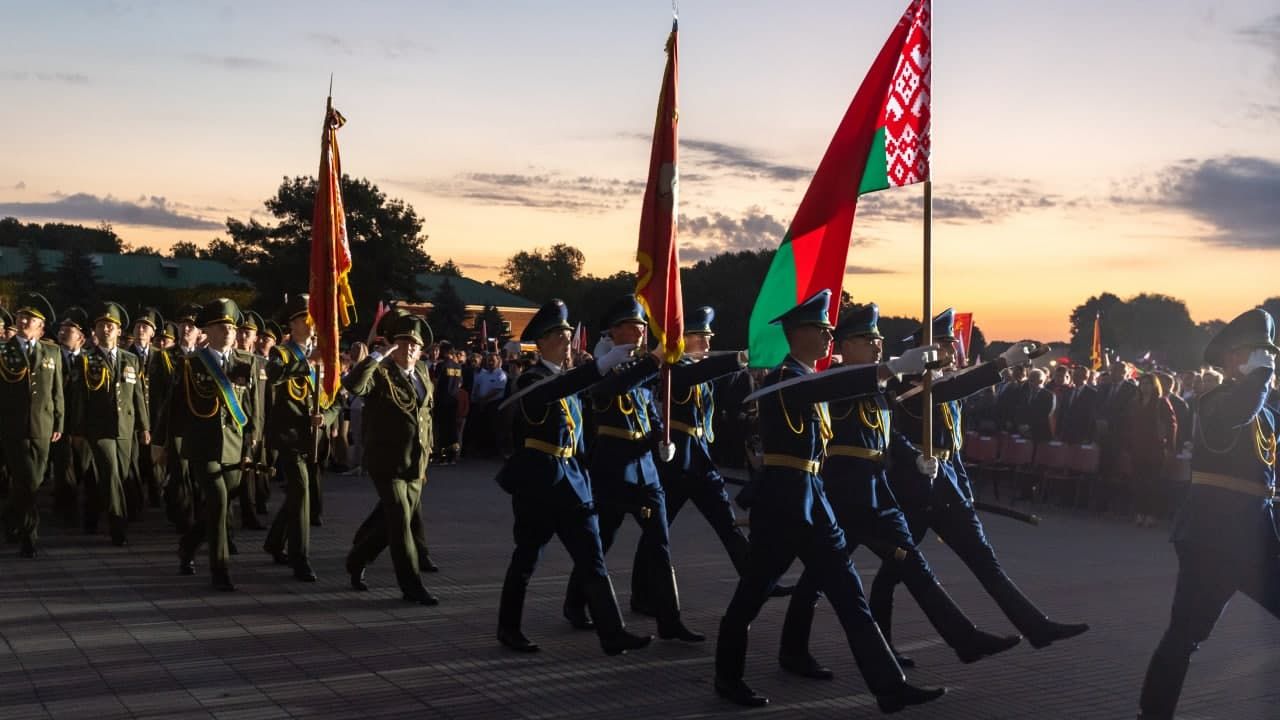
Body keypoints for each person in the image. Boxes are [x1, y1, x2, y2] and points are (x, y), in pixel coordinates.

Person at [713, 289, 945, 712]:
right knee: (751, 596)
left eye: (828, 330)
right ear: (798, 333)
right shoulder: (784, 379)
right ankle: (727, 676)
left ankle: (890, 687)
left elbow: (831, 385)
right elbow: (824, 387)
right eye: (821, 329)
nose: (828, 337)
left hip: (816, 502)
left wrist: (890, 372)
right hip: (783, 505)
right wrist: (889, 367)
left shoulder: (813, 378)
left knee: (850, 596)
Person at [776, 302, 1020, 680]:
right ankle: (793, 651)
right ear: (847, 344)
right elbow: (846, 389)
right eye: (869, 339)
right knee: (822, 578)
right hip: (843, 496)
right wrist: (892, 369)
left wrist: (916, 457)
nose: (877, 345)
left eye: (878, 339)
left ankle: (964, 639)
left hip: (876, 495)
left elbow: (889, 435)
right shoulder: (835, 380)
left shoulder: (874, 384)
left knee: (910, 567)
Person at [868, 309, 1089, 663]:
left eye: (951, 342)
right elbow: (944, 392)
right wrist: (1002, 363)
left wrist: (964, 487)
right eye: (943, 342)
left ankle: (1035, 626)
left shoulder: (943, 384)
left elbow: (953, 442)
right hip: (913, 488)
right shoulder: (906, 384)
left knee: (985, 562)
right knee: (895, 570)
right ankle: (881, 646)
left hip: (949, 486)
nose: (952, 348)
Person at [1138, 308, 1279, 719]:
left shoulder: (1267, 408)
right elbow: (1239, 414)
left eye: (1269, 352)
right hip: (1212, 541)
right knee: (1185, 635)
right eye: (1257, 351)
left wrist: (1264, 382)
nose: (1266, 359)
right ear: (1235, 358)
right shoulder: (1215, 402)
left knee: (1184, 635)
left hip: (1255, 536)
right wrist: (1260, 378)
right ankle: (1154, 712)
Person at [495, 298, 653, 656]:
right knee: (527, 558)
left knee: (592, 558)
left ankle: (612, 633)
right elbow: (559, 390)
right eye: (563, 336)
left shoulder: (565, 380)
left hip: (573, 481)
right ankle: (508, 628)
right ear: (545, 341)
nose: (570, 342)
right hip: (540, 483)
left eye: (569, 335)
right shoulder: (532, 380)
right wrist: (600, 366)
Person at [562, 295, 715, 643]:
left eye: (642, 326)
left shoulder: (646, 368)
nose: (640, 331)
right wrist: (652, 363)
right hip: (613, 469)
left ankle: (669, 619)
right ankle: (575, 603)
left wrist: (660, 439)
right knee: (602, 541)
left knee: (660, 545)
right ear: (613, 332)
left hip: (645, 470)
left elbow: (649, 410)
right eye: (632, 325)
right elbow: (612, 389)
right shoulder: (603, 367)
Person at [628, 305, 790, 616]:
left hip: (700, 459)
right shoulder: (672, 369)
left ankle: (757, 581)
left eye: (708, 336)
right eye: (700, 335)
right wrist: (738, 357)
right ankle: (641, 593)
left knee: (727, 525)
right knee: (657, 532)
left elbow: (728, 389)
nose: (707, 342)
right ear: (682, 338)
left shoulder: (699, 370)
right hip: (676, 462)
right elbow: (694, 375)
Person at [343, 312, 441, 605]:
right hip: (387, 462)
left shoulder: (422, 371)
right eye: (402, 342)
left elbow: (425, 415)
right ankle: (412, 586)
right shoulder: (380, 373)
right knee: (400, 523)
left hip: (416, 461)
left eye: (414, 344)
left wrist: (429, 452)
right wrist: (376, 356)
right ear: (392, 345)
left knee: (393, 521)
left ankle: (357, 558)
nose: (408, 348)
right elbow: (354, 386)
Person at [163, 299, 260, 591]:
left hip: (232, 446)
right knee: (217, 501)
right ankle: (220, 570)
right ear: (209, 330)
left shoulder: (245, 362)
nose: (229, 331)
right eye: (222, 326)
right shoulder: (190, 364)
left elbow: (250, 407)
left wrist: (251, 441)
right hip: (201, 445)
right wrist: (161, 443)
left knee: (218, 508)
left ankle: (188, 546)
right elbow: (173, 407)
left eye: (231, 326)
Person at [262, 294, 339, 582]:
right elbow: (273, 375)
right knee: (301, 492)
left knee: (298, 495)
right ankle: (300, 558)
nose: (311, 324)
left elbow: (335, 400)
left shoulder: (325, 356)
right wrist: (308, 362)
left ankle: (274, 541)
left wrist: (327, 418)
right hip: (290, 437)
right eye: (305, 318)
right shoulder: (282, 353)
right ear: (293, 324)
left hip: (313, 439)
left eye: (314, 318)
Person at [66, 301, 150, 547]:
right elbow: (79, 399)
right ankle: (118, 527)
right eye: (101, 325)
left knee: (120, 475)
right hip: (98, 428)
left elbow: (138, 396)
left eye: (110, 326)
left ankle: (100, 515)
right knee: (111, 474)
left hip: (125, 427)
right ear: (95, 331)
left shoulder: (131, 360)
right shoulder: (85, 360)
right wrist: (78, 430)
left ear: (119, 330)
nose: (106, 330)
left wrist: (144, 426)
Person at [0, 293, 64, 558]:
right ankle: (30, 537)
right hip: (12, 425)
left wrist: (60, 420)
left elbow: (57, 390)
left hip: (43, 425)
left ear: (42, 326)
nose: (26, 321)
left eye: (32, 319)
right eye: (23, 317)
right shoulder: (3, 351)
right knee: (26, 479)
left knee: (33, 482)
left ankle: (9, 518)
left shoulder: (52, 351)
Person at [1127, 374, 1178, 528]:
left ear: (1155, 386)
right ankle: (1140, 513)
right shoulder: (1135, 402)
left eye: (1148, 384)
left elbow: (1172, 424)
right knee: (1138, 482)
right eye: (1142, 383)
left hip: (1155, 448)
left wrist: (1170, 446)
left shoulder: (1161, 402)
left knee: (1153, 483)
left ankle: (1151, 514)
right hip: (1138, 447)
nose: (1145, 386)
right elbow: (1129, 424)